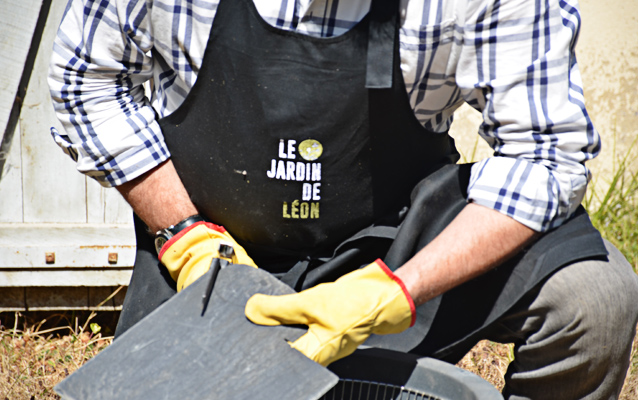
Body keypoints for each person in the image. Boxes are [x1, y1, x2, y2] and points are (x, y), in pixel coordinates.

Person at [49, 0, 638, 398]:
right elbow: (86, 82)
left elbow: (542, 155)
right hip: (214, 246)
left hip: (396, 241)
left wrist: (400, 288)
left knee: (594, 296)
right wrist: (184, 233)